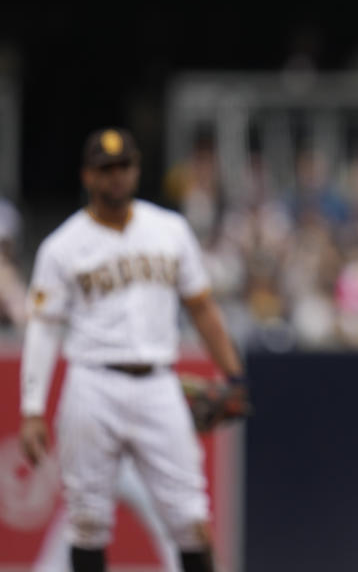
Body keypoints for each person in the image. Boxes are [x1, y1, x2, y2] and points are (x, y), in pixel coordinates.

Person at [18, 128, 247, 572]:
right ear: (88, 176)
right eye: (105, 169)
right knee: (86, 522)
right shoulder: (62, 246)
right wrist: (31, 409)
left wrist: (233, 375)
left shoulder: (170, 229)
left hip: (159, 384)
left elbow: (202, 309)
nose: (116, 176)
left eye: (124, 166)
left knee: (190, 517)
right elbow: (44, 331)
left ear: (137, 169)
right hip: (91, 383)